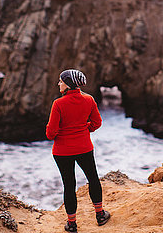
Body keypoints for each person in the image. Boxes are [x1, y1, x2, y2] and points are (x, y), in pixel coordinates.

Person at [46, 69, 111, 232]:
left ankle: (72, 224)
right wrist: (82, 129)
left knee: (69, 185)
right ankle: (100, 215)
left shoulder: (58, 104)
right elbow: (97, 123)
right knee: (93, 179)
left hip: (62, 151)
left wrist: (63, 132)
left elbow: (50, 133)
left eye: (61, 81)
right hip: (84, 147)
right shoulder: (89, 100)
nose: (58, 83)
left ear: (68, 84)